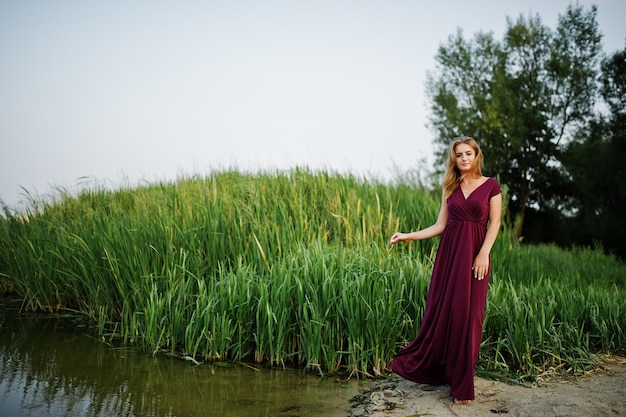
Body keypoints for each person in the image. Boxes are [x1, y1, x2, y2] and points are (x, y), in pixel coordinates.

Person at [389, 136, 502, 404]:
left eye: (468, 153)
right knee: (446, 314)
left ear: (477, 155)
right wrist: (407, 235)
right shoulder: (450, 187)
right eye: (459, 155)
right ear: (454, 159)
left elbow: (495, 223)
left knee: (470, 317)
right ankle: (446, 373)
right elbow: (440, 225)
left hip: (476, 258)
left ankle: (463, 385)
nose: (463, 159)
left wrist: (483, 252)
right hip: (449, 259)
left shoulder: (491, 186)